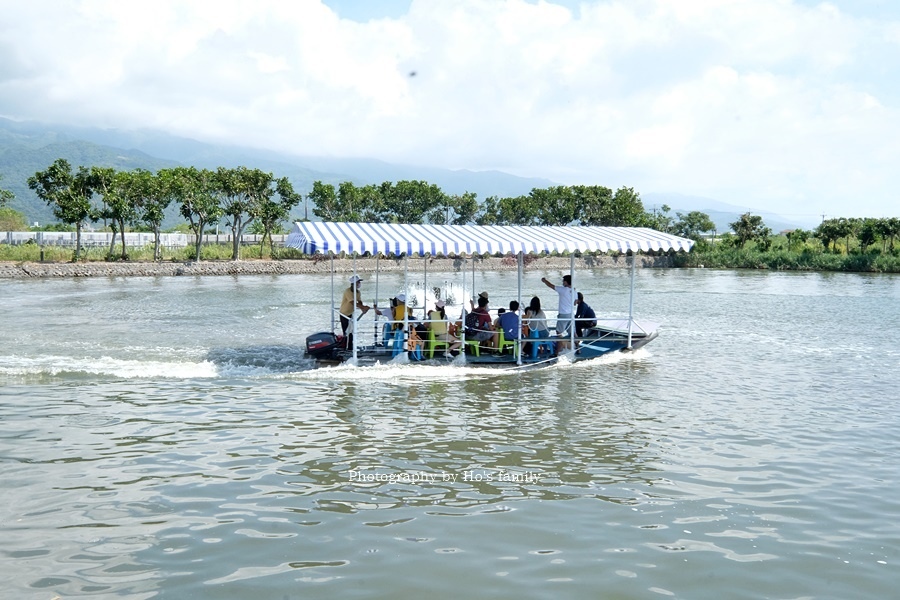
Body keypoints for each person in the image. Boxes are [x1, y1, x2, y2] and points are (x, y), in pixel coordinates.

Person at [340, 274, 370, 347]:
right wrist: (363, 307)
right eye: (358, 282)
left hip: (351, 313)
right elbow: (352, 302)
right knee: (347, 332)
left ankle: (351, 346)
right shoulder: (348, 291)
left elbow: (359, 301)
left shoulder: (357, 292)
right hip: (344, 314)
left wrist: (362, 307)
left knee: (351, 331)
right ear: (353, 283)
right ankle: (346, 347)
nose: (359, 283)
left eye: (359, 282)